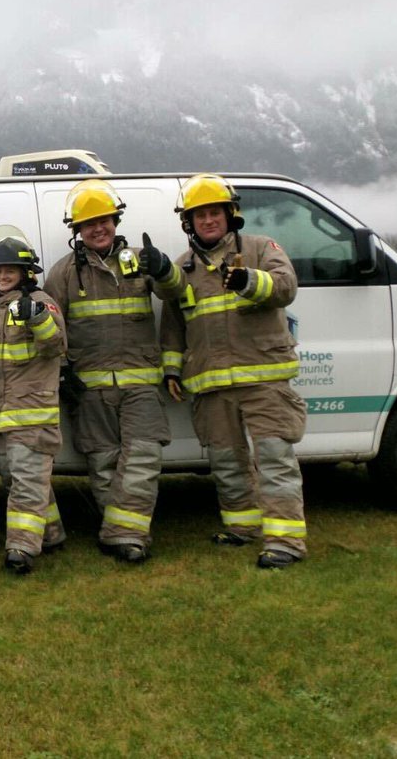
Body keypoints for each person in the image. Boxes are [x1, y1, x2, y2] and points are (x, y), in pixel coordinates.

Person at [160, 173, 308, 569]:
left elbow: (285, 286)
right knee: (227, 462)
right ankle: (242, 527)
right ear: (188, 223)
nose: (208, 220)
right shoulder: (183, 268)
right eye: (199, 215)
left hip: (264, 378)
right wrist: (172, 371)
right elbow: (174, 325)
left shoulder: (260, 249)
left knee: (275, 459)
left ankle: (285, 542)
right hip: (212, 384)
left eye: (215, 213)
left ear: (230, 214)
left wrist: (248, 281)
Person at [45, 180, 182, 564]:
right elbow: (51, 328)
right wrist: (61, 371)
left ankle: (123, 533)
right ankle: (122, 536)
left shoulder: (141, 260)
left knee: (142, 458)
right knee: (103, 465)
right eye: (88, 224)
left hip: (140, 384)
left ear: (115, 220)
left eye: (103, 220)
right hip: (89, 390)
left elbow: (177, 293)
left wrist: (165, 269)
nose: (97, 229)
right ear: (78, 230)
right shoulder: (63, 274)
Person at [0, 227, 67, 574]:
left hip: (32, 416)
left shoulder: (40, 302)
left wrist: (37, 319)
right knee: (23, 481)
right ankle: (51, 534)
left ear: (26, 273)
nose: (2, 275)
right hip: (4, 417)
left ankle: (21, 549)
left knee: (25, 483)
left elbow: (56, 346)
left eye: (9, 269)